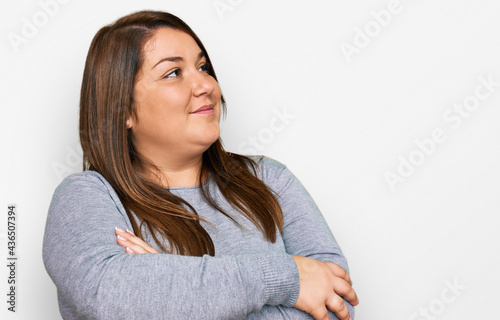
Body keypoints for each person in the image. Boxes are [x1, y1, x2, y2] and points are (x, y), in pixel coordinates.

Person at [42, 10, 358, 320]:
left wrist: (169, 295)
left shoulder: (270, 179)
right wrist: (285, 276)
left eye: (203, 67)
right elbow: (110, 296)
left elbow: (337, 303)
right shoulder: (86, 198)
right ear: (123, 109)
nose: (205, 85)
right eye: (173, 73)